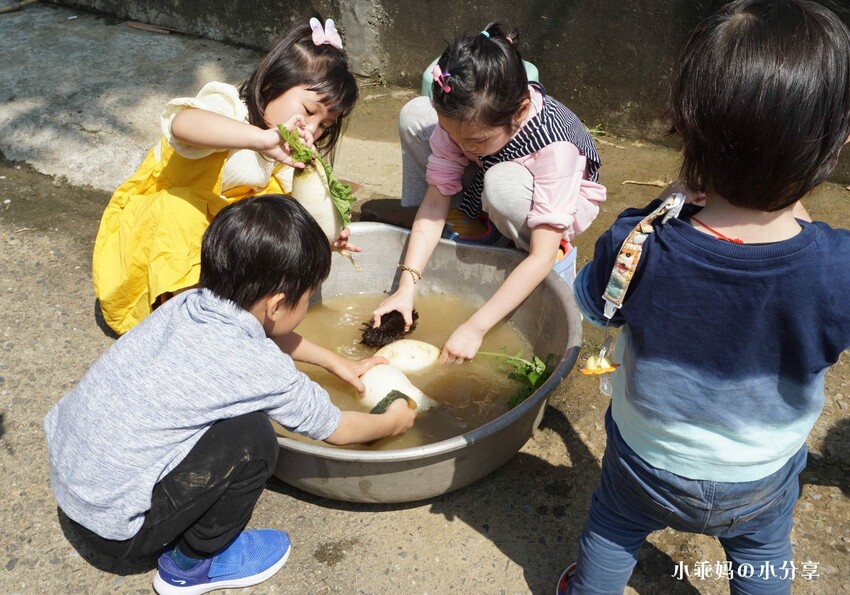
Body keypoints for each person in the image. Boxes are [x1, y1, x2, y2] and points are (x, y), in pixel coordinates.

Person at [559, 1, 850, 593]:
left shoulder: (640, 239)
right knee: (765, 551)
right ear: (833, 141)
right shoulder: (837, 267)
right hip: (760, 474)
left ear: (686, 128)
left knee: (612, 527)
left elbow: (593, 305)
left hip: (647, 460)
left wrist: (656, 209)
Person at [45, 195, 416, 594]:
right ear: (277, 304)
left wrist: (335, 362)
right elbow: (337, 429)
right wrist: (393, 419)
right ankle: (194, 564)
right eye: (308, 298)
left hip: (76, 484)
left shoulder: (189, 302)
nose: (307, 305)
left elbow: (268, 332)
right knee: (252, 436)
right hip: (120, 528)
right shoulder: (255, 365)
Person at [93, 17, 359, 335]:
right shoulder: (227, 108)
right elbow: (182, 123)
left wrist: (324, 235)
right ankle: (186, 331)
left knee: (275, 226)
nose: (312, 130)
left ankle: (225, 325)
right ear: (273, 84)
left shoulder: (288, 159)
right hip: (159, 243)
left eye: (324, 126)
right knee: (181, 210)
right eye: (308, 111)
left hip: (218, 249)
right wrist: (258, 138)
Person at [373, 22, 606, 364]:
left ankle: (511, 238)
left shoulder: (556, 147)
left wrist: (475, 326)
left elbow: (542, 257)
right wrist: (406, 287)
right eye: (455, 136)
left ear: (521, 111)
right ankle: (475, 218)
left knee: (502, 185)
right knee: (415, 114)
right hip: (490, 169)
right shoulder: (465, 124)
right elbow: (435, 200)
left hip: (541, 202)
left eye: (476, 139)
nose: (463, 146)